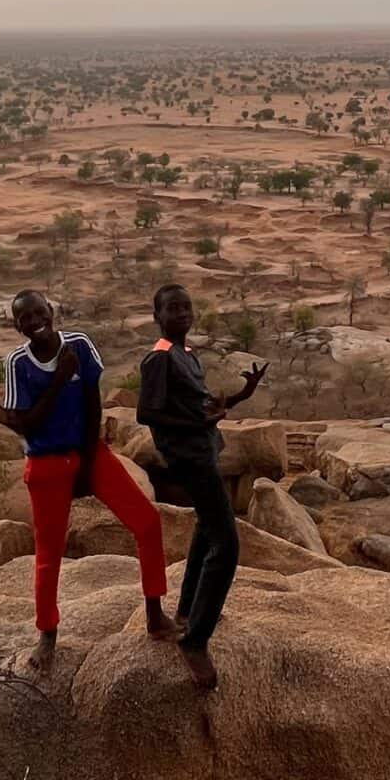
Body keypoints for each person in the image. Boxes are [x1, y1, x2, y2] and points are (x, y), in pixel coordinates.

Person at [1, 290, 173, 669]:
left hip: (87, 452)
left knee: (147, 522)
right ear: (17, 325)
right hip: (46, 461)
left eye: (38, 312)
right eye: (24, 318)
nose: (34, 321)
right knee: (48, 554)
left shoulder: (78, 343)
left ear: (52, 311)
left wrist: (86, 460)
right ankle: (47, 634)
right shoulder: (17, 363)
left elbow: (93, 403)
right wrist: (59, 380)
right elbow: (26, 423)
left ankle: (155, 613)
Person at [136, 282, 267, 690]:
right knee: (226, 544)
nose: (181, 313)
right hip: (188, 456)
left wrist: (242, 394)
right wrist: (198, 423)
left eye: (186, 307)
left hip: (203, 449)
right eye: (171, 309)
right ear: (157, 316)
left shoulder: (187, 356)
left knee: (206, 530)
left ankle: (188, 612)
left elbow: (204, 406)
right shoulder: (158, 359)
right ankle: (195, 641)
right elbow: (147, 414)